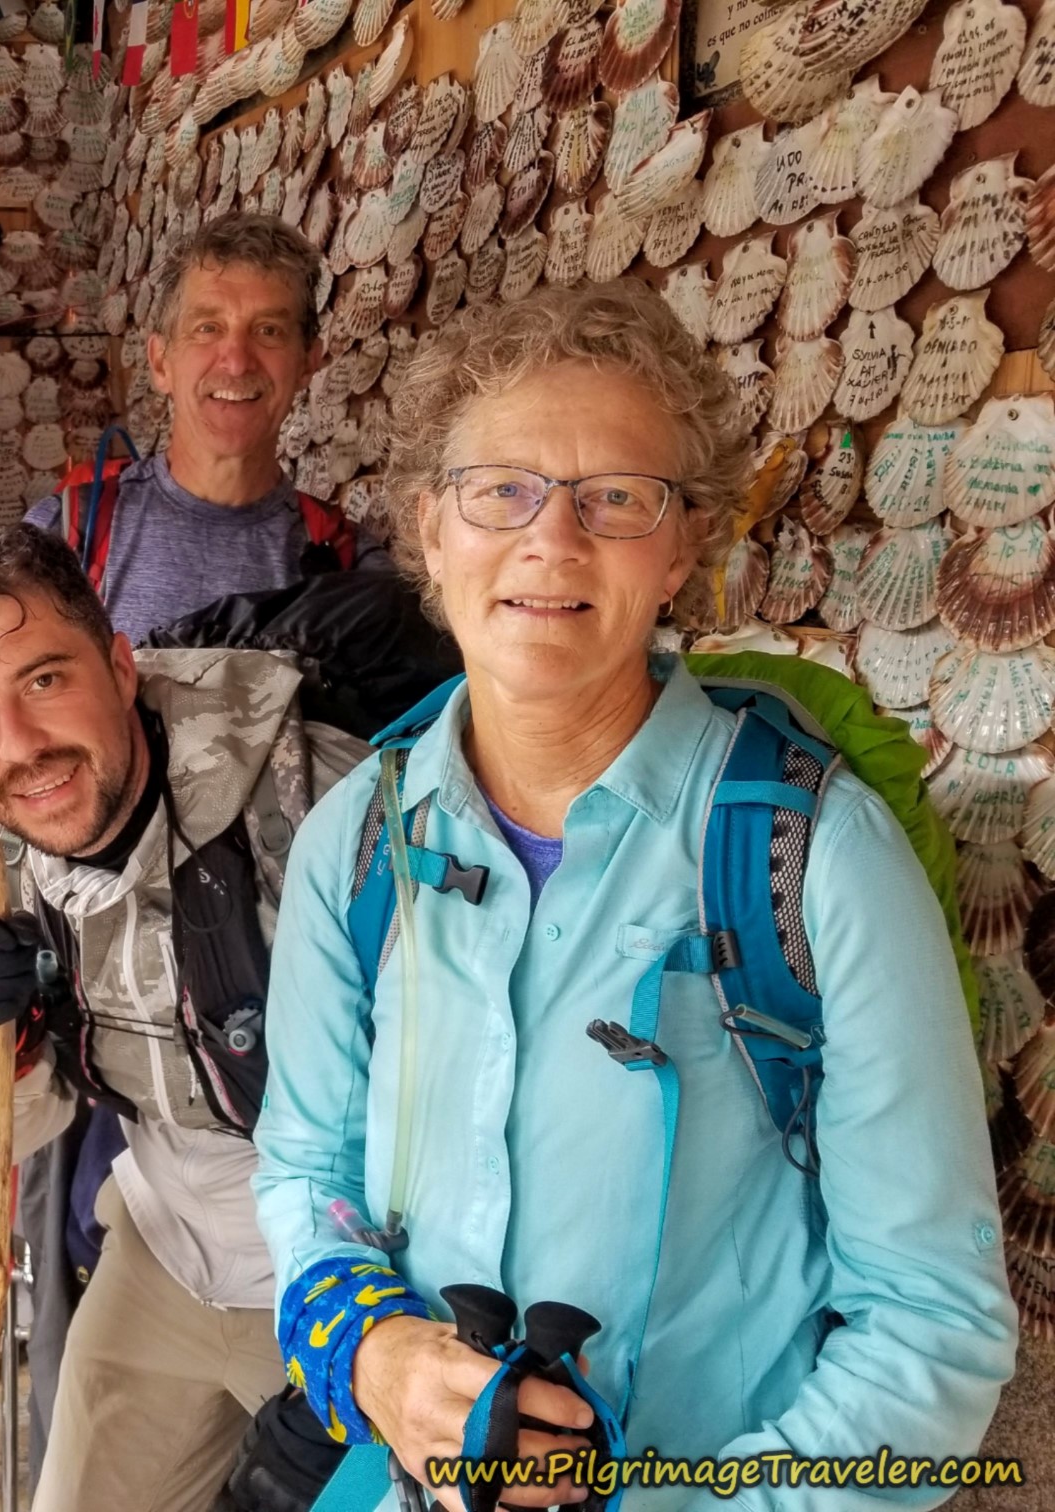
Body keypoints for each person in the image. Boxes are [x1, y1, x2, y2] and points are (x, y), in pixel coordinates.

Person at [252, 280, 1017, 1510]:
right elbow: (305, 1165)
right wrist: (374, 1354)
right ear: (431, 530)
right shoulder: (361, 840)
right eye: (500, 490)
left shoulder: (814, 859)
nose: (552, 541)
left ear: (682, 548)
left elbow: (932, 1322)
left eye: (616, 498)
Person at [0, 520, 383, 1512]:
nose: (20, 746)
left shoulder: (321, 800)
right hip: (164, 1247)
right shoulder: (1, 857)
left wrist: (378, 1338)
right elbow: (27, 1128)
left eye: (43, 679)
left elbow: (474, 1104)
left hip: (357, 1268)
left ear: (120, 667)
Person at [25, 211, 374, 643]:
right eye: (207, 328)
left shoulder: (349, 564)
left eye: (268, 330)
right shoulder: (59, 537)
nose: (237, 361)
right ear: (160, 362)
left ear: (307, 363)